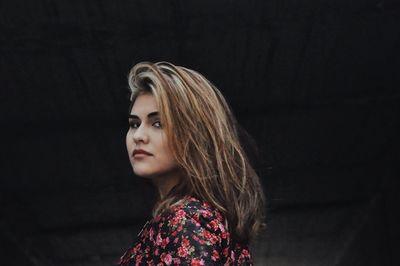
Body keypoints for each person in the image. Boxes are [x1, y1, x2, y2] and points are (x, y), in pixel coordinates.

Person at [118, 62, 265, 266]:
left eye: (158, 123)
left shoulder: (185, 220)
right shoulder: (200, 216)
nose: (139, 136)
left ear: (194, 134)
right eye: (134, 124)